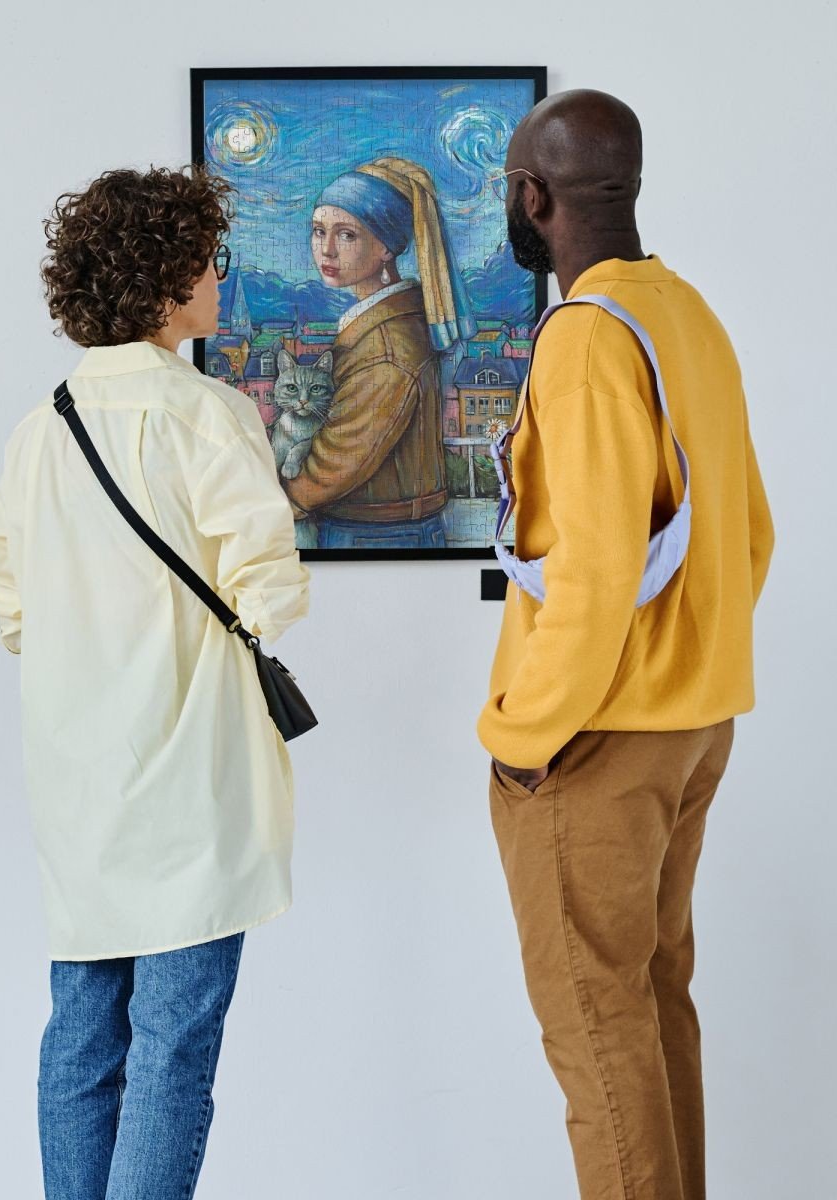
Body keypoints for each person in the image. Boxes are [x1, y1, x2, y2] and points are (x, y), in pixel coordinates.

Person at [0, 165, 309, 1200]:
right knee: (173, 1041)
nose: (218, 276)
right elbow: (270, 591)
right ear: (166, 279)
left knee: (82, 1030)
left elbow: (9, 602)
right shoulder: (209, 414)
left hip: (80, 773)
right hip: (191, 772)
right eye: (208, 258)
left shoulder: (41, 426)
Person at [479, 90, 774, 1200]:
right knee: (649, 1005)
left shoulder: (588, 335)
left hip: (598, 740)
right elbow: (750, 531)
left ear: (533, 197)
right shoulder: (685, 313)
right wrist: (693, 668)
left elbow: (598, 573)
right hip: (694, 722)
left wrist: (524, 736)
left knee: (597, 1036)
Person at [283, 157, 477, 550]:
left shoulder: (387, 345)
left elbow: (340, 457)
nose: (326, 250)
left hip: (377, 536)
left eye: (347, 235)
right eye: (319, 231)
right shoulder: (385, 322)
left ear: (387, 246)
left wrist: (282, 501)